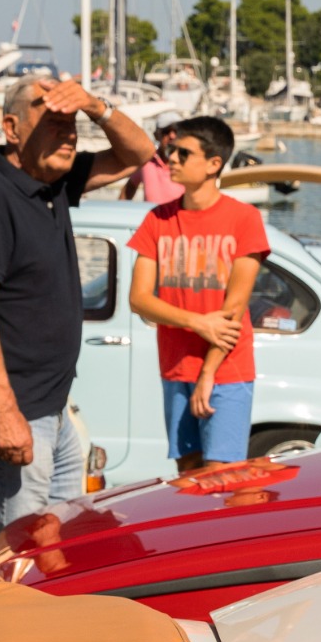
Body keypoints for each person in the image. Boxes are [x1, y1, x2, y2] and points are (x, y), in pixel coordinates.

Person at [0, 73, 155, 542]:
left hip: (52, 409)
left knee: (57, 549)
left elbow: (140, 154)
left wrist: (98, 106)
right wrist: (4, 415)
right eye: (53, 121)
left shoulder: (54, 182)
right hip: (17, 410)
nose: (69, 132)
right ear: (12, 129)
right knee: (17, 553)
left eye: (73, 121)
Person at [126, 116, 268, 472]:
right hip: (175, 368)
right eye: (171, 150)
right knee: (188, 473)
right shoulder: (157, 220)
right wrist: (196, 322)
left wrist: (208, 374)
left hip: (227, 369)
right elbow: (139, 299)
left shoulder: (244, 219)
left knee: (221, 473)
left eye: (183, 153)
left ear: (213, 164)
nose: (171, 158)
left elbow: (233, 310)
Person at [121, 111, 184, 202]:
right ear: (156, 135)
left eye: (176, 131)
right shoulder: (146, 161)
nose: (172, 136)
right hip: (152, 216)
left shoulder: (189, 162)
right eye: (166, 131)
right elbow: (130, 188)